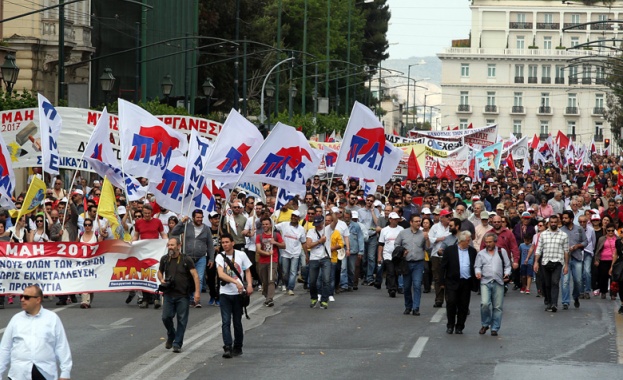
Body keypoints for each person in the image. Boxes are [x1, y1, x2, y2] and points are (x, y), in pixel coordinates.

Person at [0, 285, 72, 380]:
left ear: (38, 300)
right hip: (19, 374)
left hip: (45, 373)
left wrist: (65, 373)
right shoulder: (16, 319)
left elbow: (61, 346)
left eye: (26, 297)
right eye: (21, 296)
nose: (22, 300)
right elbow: (5, 348)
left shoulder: (52, 318)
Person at [157, 237, 201, 353]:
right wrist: (161, 280)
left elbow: (195, 275)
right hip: (168, 294)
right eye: (169, 245)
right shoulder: (165, 259)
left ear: (179, 246)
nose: (170, 247)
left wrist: (197, 293)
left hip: (183, 295)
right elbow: (160, 272)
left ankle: (177, 343)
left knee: (182, 320)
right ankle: (171, 334)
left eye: (172, 245)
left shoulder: (186, 259)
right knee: (165, 317)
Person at [216, 233, 253, 359]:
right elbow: (221, 274)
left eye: (227, 242)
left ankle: (238, 346)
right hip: (225, 293)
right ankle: (227, 346)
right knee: (225, 322)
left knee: (237, 321)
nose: (225, 244)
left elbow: (247, 270)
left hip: (238, 294)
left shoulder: (241, 255)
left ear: (232, 242)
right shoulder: (220, 257)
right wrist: (235, 282)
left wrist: (249, 285)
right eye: (223, 242)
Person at [170, 210, 215, 308]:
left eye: (201, 217)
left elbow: (210, 245)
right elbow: (174, 232)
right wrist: (181, 222)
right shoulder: (187, 226)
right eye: (197, 217)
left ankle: (196, 299)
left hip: (201, 258)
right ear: (193, 217)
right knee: (188, 279)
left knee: (199, 278)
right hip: (187, 257)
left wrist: (211, 259)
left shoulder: (206, 229)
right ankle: (190, 298)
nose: (199, 219)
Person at [440, 231, 478, 335]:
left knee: (464, 305)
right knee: (451, 303)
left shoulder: (472, 251)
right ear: (461, 241)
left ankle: (460, 326)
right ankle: (450, 325)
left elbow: (475, 265)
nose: (469, 242)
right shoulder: (449, 250)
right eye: (467, 240)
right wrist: (441, 281)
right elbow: (443, 266)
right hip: (452, 281)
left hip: (466, 282)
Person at [475, 232, 511, 336]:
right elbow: (477, 266)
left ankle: (495, 328)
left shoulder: (501, 251)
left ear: (495, 242)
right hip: (485, 282)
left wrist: (506, 274)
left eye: (490, 242)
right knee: (485, 304)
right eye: (486, 242)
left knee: (498, 307)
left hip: (498, 282)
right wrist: (478, 273)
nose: (488, 244)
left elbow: (507, 266)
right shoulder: (481, 254)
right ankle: (485, 324)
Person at [132, 204, 167, 309]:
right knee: (144, 274)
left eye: (149, 213)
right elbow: (136, 235)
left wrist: (167, 241)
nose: (147, 215)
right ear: (142, 212)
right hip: (143, 252)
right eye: (145, 213)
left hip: (155, 251)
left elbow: (162, 234)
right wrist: (132, 243)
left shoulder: (157, 222)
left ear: (151, 213)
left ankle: (156, 297)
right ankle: (145, 298)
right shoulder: (138, 223)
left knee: (155, 273)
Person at [534, 214, 569, 312]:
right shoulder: (543, 235)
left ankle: (554, 304)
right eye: (551, 222)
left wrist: (566, 265)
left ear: (558, 223)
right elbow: (538, 249)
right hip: (545, 262)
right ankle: (549, 302)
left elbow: (566, 251)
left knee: (555, 282)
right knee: (547, 284)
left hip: (558, 262)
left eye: (555, 222)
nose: (553, 224)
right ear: (549, 223)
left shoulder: (563, 235)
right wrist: (536, 262)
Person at [395, 214, 429, 316]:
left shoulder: (423, 234)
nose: (419, 223)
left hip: (418, 263)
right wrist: (402, 251)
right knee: (406, 286)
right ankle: (408, 306)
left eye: (420, 221)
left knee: (417, 285)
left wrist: (427, 239)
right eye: (417, 221)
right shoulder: (403, 233)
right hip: (406, 263)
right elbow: (396, 244)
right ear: (411, 222)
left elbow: (428, 248)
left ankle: (416, 307)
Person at [275, 210, 307, 295]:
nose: (293, 217)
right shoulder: (284, 224)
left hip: (295, 253)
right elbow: (273, 227)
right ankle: (285, 283)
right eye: (292, 215)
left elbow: (303, 242)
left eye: (295, 216)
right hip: (285, 252)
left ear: (298, 218)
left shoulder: (301, 229)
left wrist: (306, 255)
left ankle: (290, 288)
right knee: (285, 272)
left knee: (293, 272)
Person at [560, 210, 587, 310]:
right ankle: (565, 302)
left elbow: (585, 241)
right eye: (563, 218)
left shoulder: (579, 229)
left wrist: (578, 246)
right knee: (565, 281)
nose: (564, 220)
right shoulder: (561, 230)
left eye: (566, 218)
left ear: (571, 219)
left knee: (578, 280)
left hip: (577, 257)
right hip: (564, 259)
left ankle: (575, 296)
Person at [255, 217, 285, 307]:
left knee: (271, 280)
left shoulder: (276, 235)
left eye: (267, 224)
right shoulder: (259, 237)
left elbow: (283, 245)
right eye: (263, 224)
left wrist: (275, 243)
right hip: (263, 261)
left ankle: (270, 299)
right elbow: (258, 250)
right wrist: (268, 253)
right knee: (265, 281)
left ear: (270, 225)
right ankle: (266, 295)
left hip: (273, 261)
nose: (265, 226)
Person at [306, 215, 331, 309]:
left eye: (319, 224)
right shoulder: (310, 231)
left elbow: (335, 221)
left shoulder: (327, 229)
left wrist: (332, 210)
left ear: (322, 222)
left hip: (325, 258)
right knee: (312, 281)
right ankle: (314, 298)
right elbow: (308, 245)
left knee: (326, 280)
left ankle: (324, 300)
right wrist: (319, 241)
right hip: (314, 258)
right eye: (315, 224)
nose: (317, 226)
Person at [377, 212, 404, 297]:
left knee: (397, 272)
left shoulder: (401, 229)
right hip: (387, 254)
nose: (396, 221)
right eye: (394, 219)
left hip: (398, 255)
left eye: (397, 219)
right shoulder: (384, 230)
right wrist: (379, 256)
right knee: (390, 271)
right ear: (390, 220)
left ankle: (395, 286)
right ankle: (391, 289)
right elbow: (381, 244)